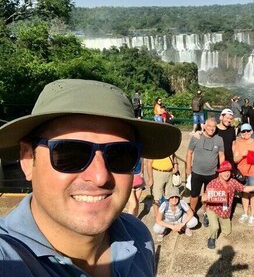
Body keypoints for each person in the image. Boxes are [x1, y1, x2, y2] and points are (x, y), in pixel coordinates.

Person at [0, 79, 182, 276]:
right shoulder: (8, 259)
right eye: (71, 154)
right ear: (28, 159)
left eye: (120, 155)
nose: (100, 177)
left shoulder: (139, 237)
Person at [202, 161, 254, 249]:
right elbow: (204, 197)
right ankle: (211, 238)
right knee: (215, 227)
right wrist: (204, 198)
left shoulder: (232, 182)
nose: (227, 173)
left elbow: (244, 188)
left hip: (225, 211)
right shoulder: (213, 183)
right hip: (213, 209)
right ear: (219, 173)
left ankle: (216, 221)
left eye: (228, 171)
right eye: (224, 171)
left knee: (227, 232)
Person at [186, 118, 224, 225]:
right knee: (194, 194)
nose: (211, 128)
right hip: (196, 172)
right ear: (204, 126)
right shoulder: (196, 137)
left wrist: (222, 170)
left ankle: (206, 213)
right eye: (209, 126)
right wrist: (188, 168)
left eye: (213, 126)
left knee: (208, 195)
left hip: (212, 173)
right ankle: (191, 212)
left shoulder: (219, 140)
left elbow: (221, 155)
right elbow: (189, 153)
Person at [233, 123, 254, 226]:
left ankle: (252, 215)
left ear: (252, 132)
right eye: (244, 131)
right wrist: (243, 155)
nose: (246, 133)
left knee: (253, 193)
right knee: (244, 193)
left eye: (248, 131)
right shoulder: (237, 143)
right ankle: (245, 213)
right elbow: (235, 159)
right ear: (241, 133)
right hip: (242, 172)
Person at [216, 109, 237, 174]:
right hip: (216, 161)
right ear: (221, 117)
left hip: (229, 161)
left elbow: (233, 144)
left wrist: (234, 157)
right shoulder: (214, 130)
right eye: (227, 118)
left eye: (231, 119)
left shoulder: (232, 130)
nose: (228, 120)